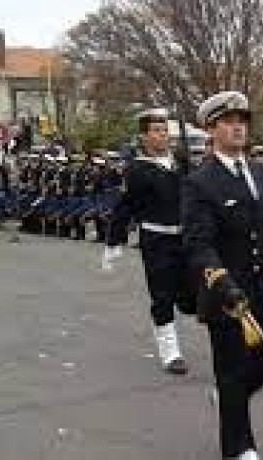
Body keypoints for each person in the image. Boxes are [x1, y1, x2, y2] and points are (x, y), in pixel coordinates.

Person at [183, 91, 263, 460]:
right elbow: (199, 244)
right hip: (227, 293)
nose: (238, 127)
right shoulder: (200, 182)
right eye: (229, 121)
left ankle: (230, 398)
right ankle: (239, 447)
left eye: (243, 120)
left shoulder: (262, 172)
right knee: (231, 370)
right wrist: (222, 283)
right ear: (212, 129)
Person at [108, 108, 197, 374]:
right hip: (156, 240)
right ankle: (171, 352)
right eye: (156, 131)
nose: (163, 136)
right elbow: (124, 207)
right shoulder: (137, 170)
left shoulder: (181, 163)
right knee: (162, 296)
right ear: (144, 137)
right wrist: (114, 242)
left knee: (191, 296)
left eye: (165, 131)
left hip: (185, 239)